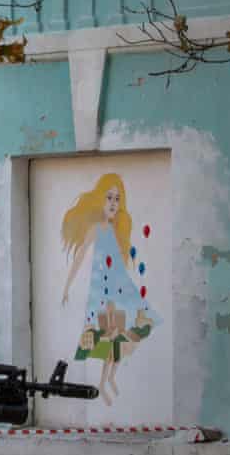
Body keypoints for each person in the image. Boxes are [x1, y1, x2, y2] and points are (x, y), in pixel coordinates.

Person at [61, 173, 160, 406]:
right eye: (109, 197)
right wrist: (67, 286)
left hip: (119, 288)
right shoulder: (97, 228)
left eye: (117, 198)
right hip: (104, 291)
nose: (113, 203)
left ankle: (111, 377)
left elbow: (121, 261)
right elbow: (80, 256)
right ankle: (103, 382)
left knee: (129, 331)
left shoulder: (120, 229)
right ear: (100, 200)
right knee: (110, 336)